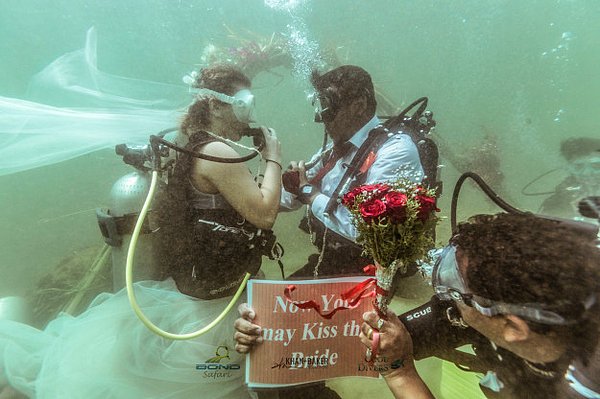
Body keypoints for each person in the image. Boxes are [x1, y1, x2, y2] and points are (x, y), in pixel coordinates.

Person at [0, 64, 282, 399]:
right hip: (215, 306)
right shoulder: (218, 152)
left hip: (189, 293)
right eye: (243, 104)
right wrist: (273, 156)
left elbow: (232, 204)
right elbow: (263, 214)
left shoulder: (185, 143)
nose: (248, 115)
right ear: (217, 105)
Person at [357, 213, 600, 399]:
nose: (448, 297)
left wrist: (400, 374)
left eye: (456, 289)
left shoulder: (584, 385)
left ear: (513, 328)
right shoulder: (506, 307)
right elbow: (389, 342)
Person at [280, 65, 427, 279]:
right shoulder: (336, 149)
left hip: (374, 270)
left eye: (328, 106)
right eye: (319, 105)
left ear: (359, 106)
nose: (321, 117)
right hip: (337, 261)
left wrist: (309, 194)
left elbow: (371, 232)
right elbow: (292, 195)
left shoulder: (395, 151)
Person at [539, 137, 600, 219]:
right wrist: (568, 210)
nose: (587, 172)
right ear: (569, 168)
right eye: (578, 166)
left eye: (596, 165)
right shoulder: (558, 200)